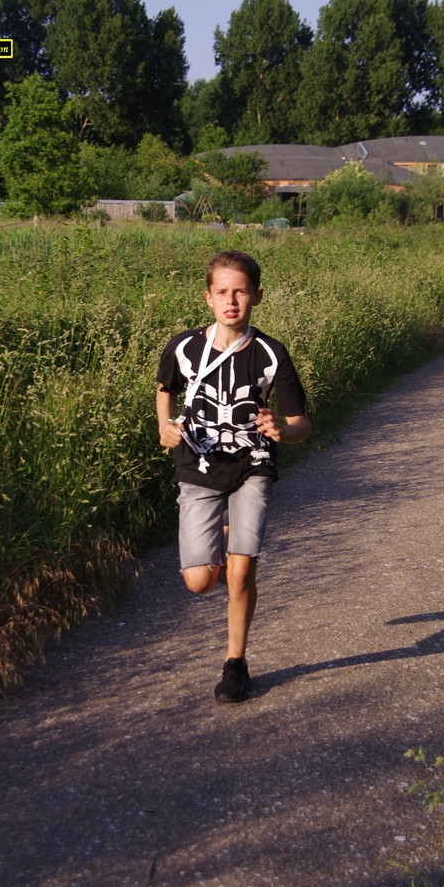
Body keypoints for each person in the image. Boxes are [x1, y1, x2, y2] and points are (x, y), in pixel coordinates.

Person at [156, 249, 311, 703]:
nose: (231, 300)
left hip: (252, 464)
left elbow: (301, 424)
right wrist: (164, 426)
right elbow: (165, 389)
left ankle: (235, 664)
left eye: (240, 291)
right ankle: (225, 538)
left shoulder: (270, 354)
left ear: (257, 296)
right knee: (199, 581)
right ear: (207, 297)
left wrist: (282, 431)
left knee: (240, 575)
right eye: (222, 292)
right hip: (198, 463)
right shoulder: (184, 348)